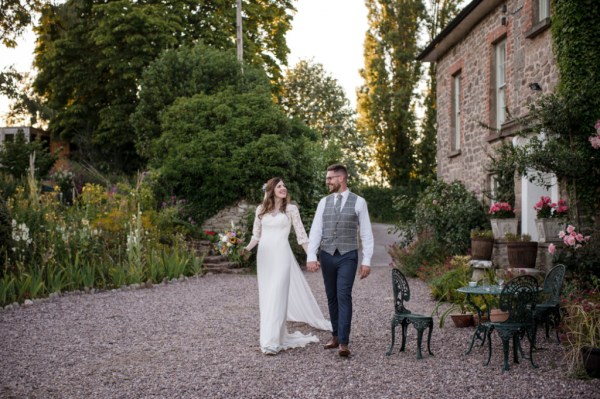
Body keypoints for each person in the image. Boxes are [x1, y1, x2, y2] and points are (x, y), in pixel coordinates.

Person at [242, 177, 332, 355]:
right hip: (265, 257)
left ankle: (271, 341)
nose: (283, 188)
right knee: (267, 296)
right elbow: (256, 236)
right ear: (271, 190)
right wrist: (244, 249)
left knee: (278, 294)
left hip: (282, 256)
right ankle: (273, 336)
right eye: (279, 186)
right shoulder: (261, 210)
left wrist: (311, 256)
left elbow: (302, 236)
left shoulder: (291, 209)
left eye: (284, 186)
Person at [306, 164, 374, 357]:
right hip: (327, 255)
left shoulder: (359, 202)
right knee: (332, 297)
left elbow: (367, 234)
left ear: (341, 178)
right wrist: (312, 256)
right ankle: (335, 336)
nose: (327, 181)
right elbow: (316, 230)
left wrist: (366, 260)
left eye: (330, 178)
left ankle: (344, 341)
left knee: (344, 295)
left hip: (348, 256)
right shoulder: (323, 202)